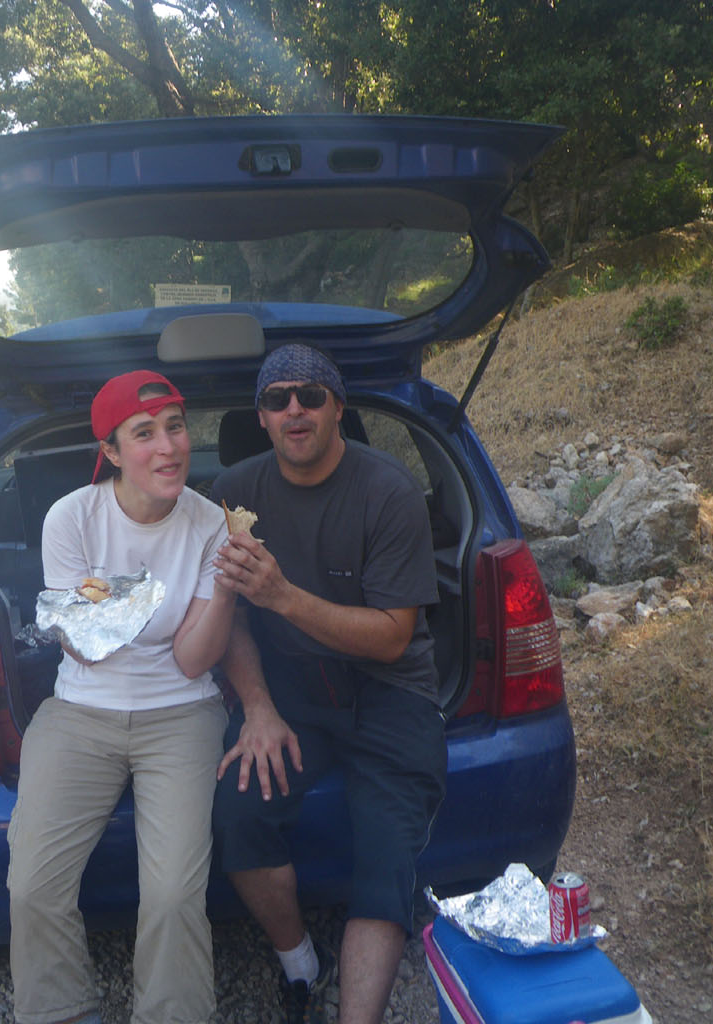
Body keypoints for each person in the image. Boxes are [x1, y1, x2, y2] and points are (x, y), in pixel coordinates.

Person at [209, 344, 447, 1024]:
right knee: (238, 815)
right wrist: (257, 706)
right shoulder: (233, 493)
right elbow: (230, 618)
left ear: (337, 407)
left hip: (390, 690)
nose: (295, 409)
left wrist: (283, 596)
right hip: (291, 691)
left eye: (310, 396)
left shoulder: (387, 490)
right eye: (277, 398)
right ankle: (299, 965)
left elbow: (393, 636)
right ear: (260, 416)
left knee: (386, 862)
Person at [7, 370, 238, 1024]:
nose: (168, 447)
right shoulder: (71, 518)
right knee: (32, 884)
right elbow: (85, 650)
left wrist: (226, 586)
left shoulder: (211, 525)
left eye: (175, 427)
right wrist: (121, 607)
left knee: (172, 894)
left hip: (182, 711)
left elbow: (192, 659)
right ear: (110, 451)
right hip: (80, 709)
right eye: (144, 434)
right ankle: (60, 1010)